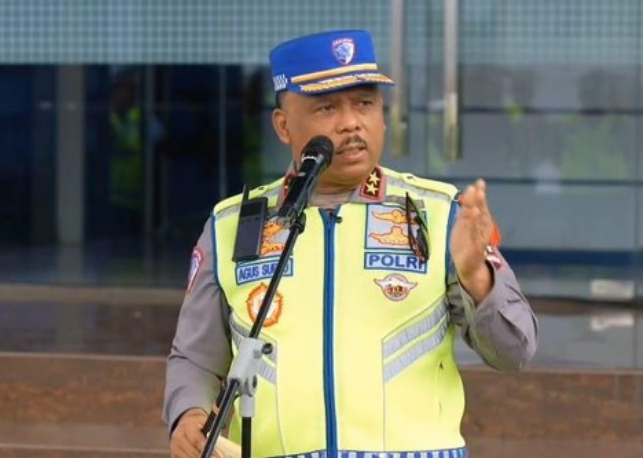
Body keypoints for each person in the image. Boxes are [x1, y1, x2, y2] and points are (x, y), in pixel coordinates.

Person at [163, 29, 538, 458]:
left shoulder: (441, 215)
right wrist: (189, 414)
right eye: (326, 107)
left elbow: (514, 351)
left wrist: (478, 279)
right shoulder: (232, 225)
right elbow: (195, 357)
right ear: (283, 125)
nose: (350, 123)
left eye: (364, 103)